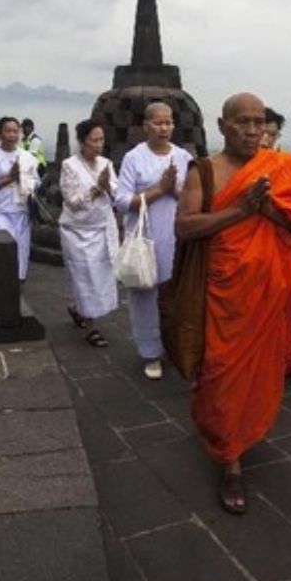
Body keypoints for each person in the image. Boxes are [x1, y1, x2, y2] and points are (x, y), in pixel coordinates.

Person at [175, 92, 291, 515]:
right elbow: (185, 228)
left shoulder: (283, 168)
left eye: (260, 122)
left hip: (269, 293)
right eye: (242, 122)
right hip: (223, 295)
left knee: (258, 379)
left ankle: (239, 436)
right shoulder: (204, 171)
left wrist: (269, 208)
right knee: (221, 375)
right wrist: (241, 210)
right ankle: (230, 461)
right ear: (221, 126)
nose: (253, 130)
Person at [115, 102, 192, 379]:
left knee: (175, 297)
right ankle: (150, 353)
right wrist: (159, 190)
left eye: (169, 122)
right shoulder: (134, 158)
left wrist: (176, 191)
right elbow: (123, 202)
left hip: (175, 238)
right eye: (158, 123)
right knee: (145, 296)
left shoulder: (182, 157)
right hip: (145, 240)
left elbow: (192, 198)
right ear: (146, 126)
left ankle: (175, 347)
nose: (164, 128)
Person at [59, 119, 120, 347]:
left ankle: (78, 309)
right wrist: (97, 188)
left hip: (102, 228)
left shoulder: (106, 163)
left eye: (101, 139)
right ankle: (91, 325)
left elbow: (117, 190)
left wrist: (107, 186)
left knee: (101, 277)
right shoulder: (69, 165)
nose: (98, 144)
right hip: (77, 232)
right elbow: (72, 201)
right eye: (94, 140)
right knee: (84, 276)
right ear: (83, 141)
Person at [0, 116, 40, 281]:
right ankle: (3, 281)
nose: (12, 135)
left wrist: (27, 182)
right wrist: (9, 179)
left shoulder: (26, 156)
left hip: (21, 210)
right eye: (8, 131)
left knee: (21, 248)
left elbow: (37, 182)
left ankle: (19, 279)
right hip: (1, 210)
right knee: (4, 247)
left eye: (15, 131)